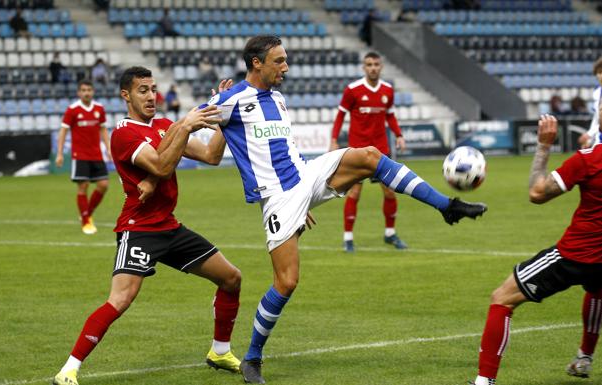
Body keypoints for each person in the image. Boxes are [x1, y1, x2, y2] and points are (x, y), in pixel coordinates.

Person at [199, 35, 487, 384]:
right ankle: (252, 358)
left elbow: (283, 150)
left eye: (285, 59)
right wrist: (160, 156)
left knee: (369, 156)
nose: (286, 67)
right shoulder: (230, 100)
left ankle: (448, 206)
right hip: (278, 197)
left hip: (305, 175)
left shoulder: (277, 98)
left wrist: (306, 197)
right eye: (279, 61)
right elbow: (190, 132)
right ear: (256, 63)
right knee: (286, 282)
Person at [52, 67, 242, 385]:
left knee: (231, 278)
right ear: (126, 95)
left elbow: (211, 155)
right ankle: (69, 368)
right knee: (121, 300)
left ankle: (219, 351)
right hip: (138, 228)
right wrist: (184, 127)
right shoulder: (124, 133)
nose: (152, 96)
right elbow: (161, 166)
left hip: (169, 227)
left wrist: (223, 116)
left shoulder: (167, 126)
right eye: (143, 90)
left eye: (153, 89)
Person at [468, 113, 602, 385]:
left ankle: (484, 382)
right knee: (597, 284)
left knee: (502, 297)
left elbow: (537, 193)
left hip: (577, 254)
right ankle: (584, 358)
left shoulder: (589, 158)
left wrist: (544, 146)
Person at [330, 51, 407, 252]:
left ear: (380, 67)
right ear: (364, 68)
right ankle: (348, 238)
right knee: (354, 192)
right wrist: (333, 140)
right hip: (358, 151)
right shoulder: (353, 90)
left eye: (376, 64)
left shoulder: (388, 90)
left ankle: (390, 234)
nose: (373, 67)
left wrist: (399, 135)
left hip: (381, 150)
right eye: (369, 64)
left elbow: (390, 116)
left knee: (390, 191)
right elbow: (340, 116)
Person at [56, 79, 111, 235]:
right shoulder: (72, 110)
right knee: (83, 186)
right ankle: (86, 221)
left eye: (89, 90)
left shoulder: (99, 109)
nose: (86, 92)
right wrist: (60, 154)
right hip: (79, 155)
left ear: (92, 92)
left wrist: (108, 148)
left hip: (96, 155)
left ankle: (86, 213)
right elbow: (63, 132)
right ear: (79, 93)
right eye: (83, 90)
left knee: (103, 185)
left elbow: (103, 130)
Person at [578, 57, 602, 148]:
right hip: (600, 138)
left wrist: (589, 134)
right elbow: (597, 117)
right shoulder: (597, 92)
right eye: (599, 73)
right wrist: (590, 139)